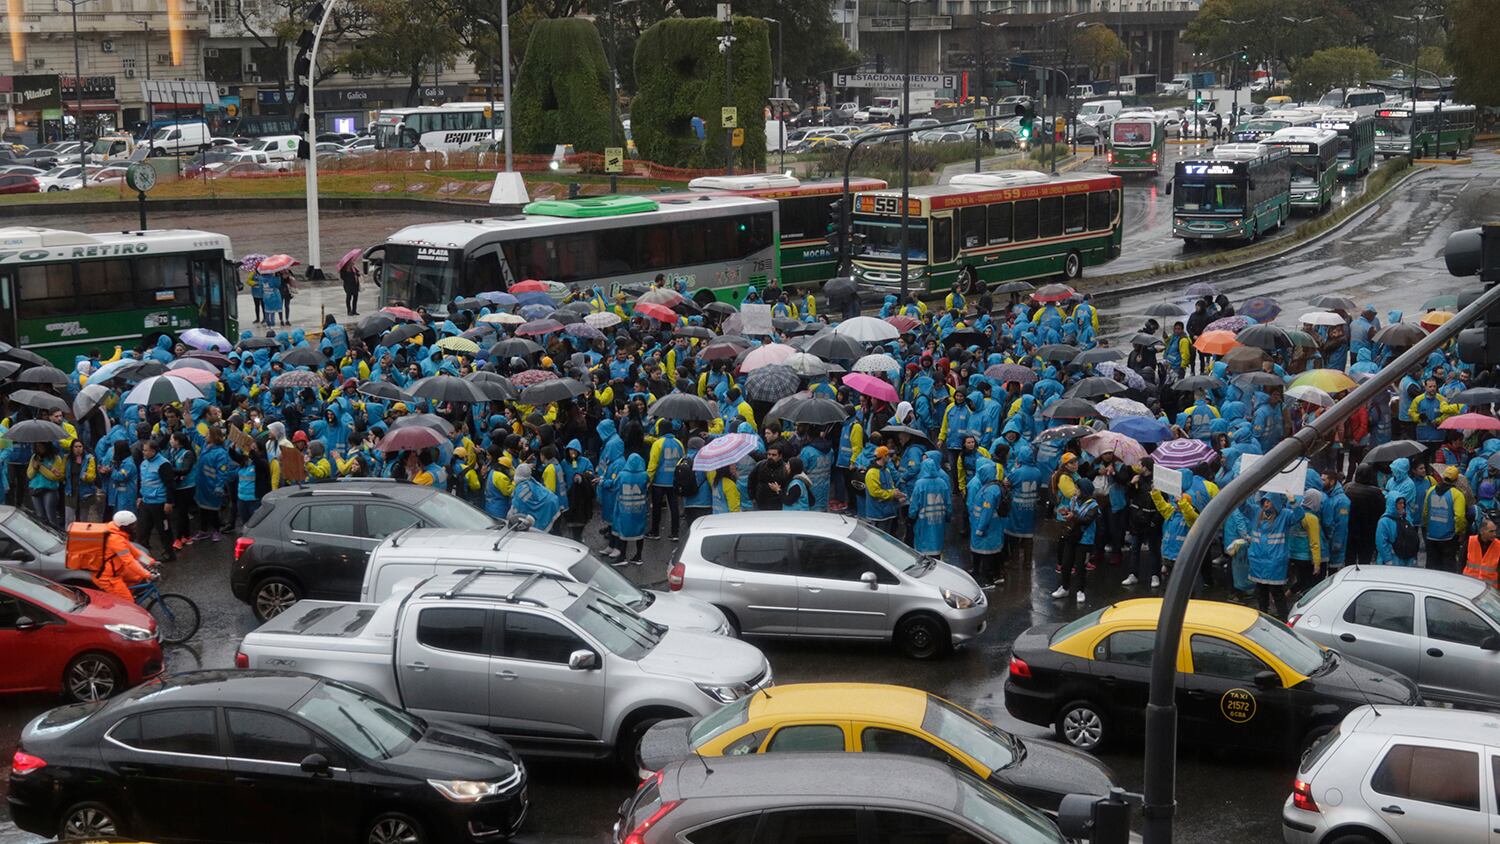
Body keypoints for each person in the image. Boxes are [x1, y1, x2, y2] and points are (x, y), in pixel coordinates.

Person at [1052, 478, 1099, 604]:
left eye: (1078, 489)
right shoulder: (1073, 500)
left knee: (1080, 566)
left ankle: (1080, 590)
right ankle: (1064, 587)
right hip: (1071, 536)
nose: (1075, 491)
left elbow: (1087, 520)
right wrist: (1065, 512)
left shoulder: (1093, 505)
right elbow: (1071, 512)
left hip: (1085, 540)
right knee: (1066, 564)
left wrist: (1074, 516)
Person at [93, 511, 156, 602]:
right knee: (128, 603)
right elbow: (129, 561)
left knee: (137, 577)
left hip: (118, 569)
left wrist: (151, 562)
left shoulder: (119, 533)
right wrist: (148, 575)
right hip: (108, 577)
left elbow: (135, 553)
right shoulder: (116, 540)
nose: (135, 527)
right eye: (132, 525)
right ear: (124, 527)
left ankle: (123, 594)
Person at [26, 441, 65, 529]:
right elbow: (29, 475)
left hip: (49, 489)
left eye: (41, 446)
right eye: (37, 446)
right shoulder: (34, 457)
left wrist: (41, 467)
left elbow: (54, 477)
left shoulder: (56, 458)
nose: (39, 448)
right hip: (35, 489)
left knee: (51, 516)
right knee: (40, 517)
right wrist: (35, 468)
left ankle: (56, 535)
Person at [1463, 518, 1500, 586]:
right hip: (1469, 584)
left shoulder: (1498, 545)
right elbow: (1461, 562)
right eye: (1491, 531)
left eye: (1495, 531)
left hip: (1489, 589)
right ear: (1482, 531)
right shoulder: (1470, 541)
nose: (1494, 534)